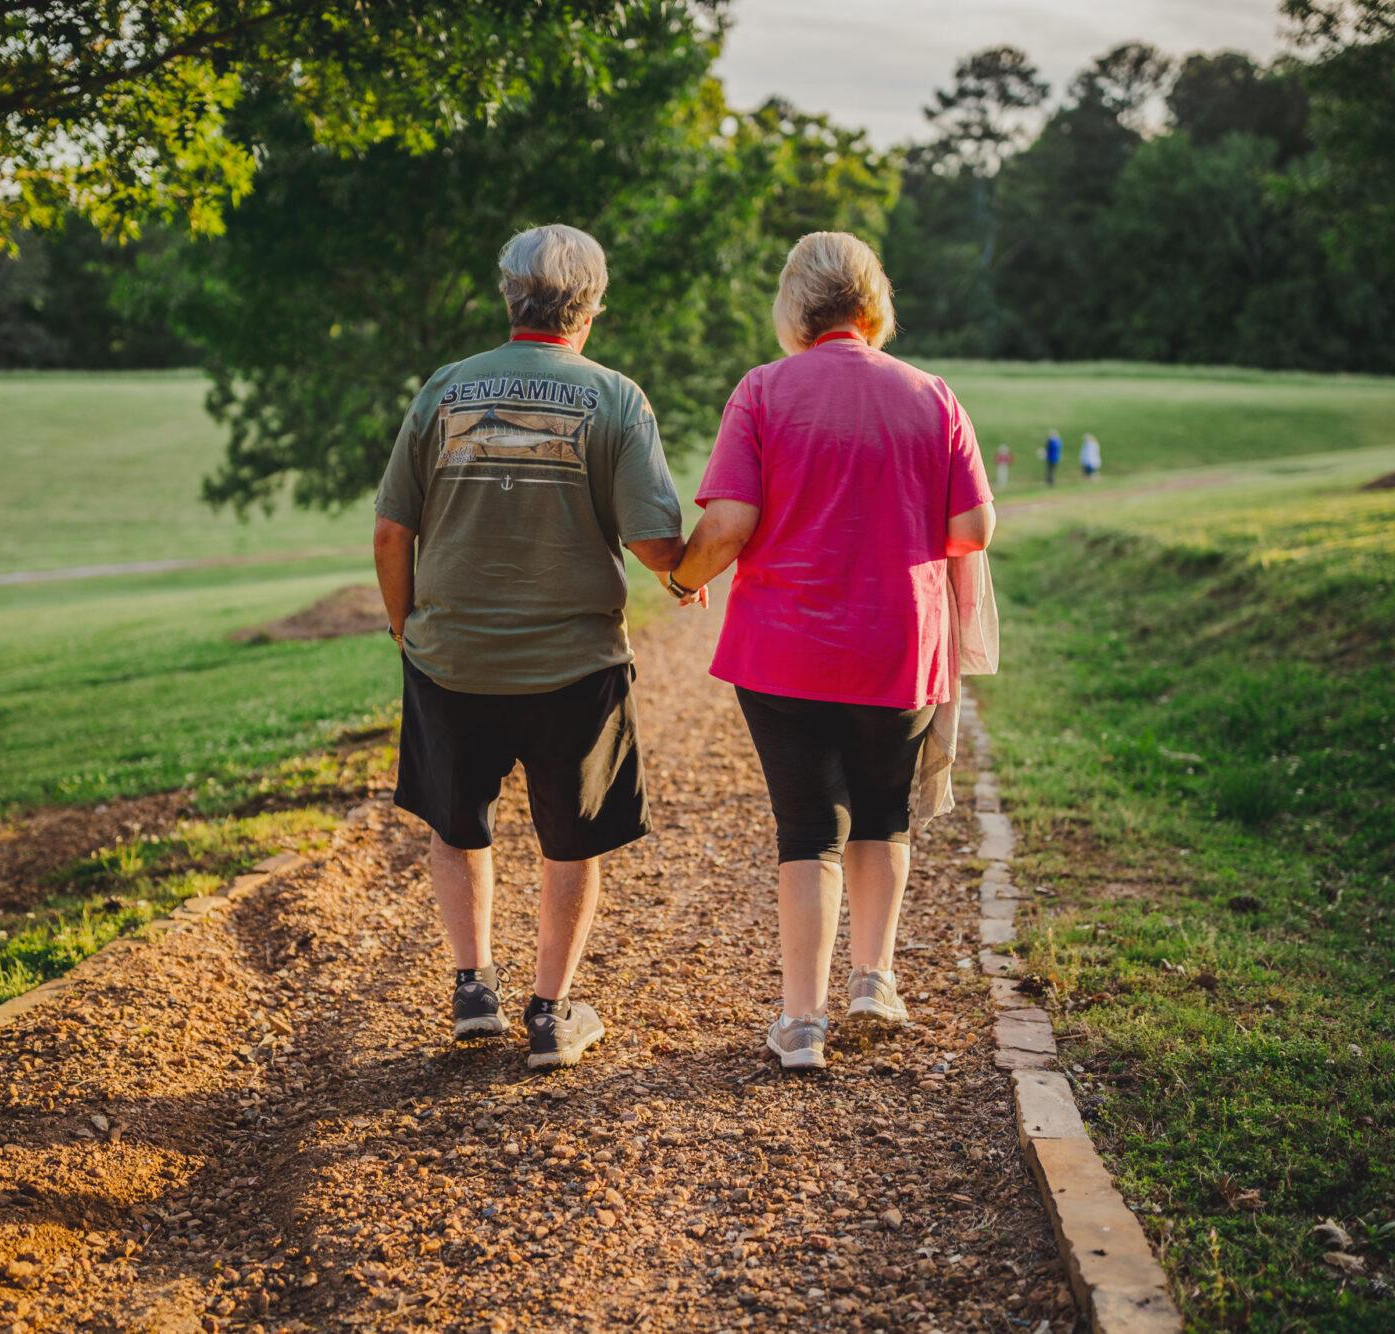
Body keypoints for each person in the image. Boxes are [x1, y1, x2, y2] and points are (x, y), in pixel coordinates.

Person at [663, 231, 995, 1071]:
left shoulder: (765, 391)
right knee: (885, 813)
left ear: (794, 307)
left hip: (785, 652)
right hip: (901, 645)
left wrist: (680, 577)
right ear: (873, 305)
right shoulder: (933, 395)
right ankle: (873, 980)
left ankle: (801, 1023)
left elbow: (729, 524)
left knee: (807, 825)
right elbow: (973, 530)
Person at [373, 223, 685, 1071]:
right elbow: (656, 542)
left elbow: (393, 528)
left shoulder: (444, 388)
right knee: (570, 840)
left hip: (451, 659)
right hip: (573, 667)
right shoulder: (616, 397)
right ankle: (550, 1014)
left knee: (456, 823)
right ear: (590, 308)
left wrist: (407, 627)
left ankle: (474, 990)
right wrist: (689, 575)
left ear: (509, 297)